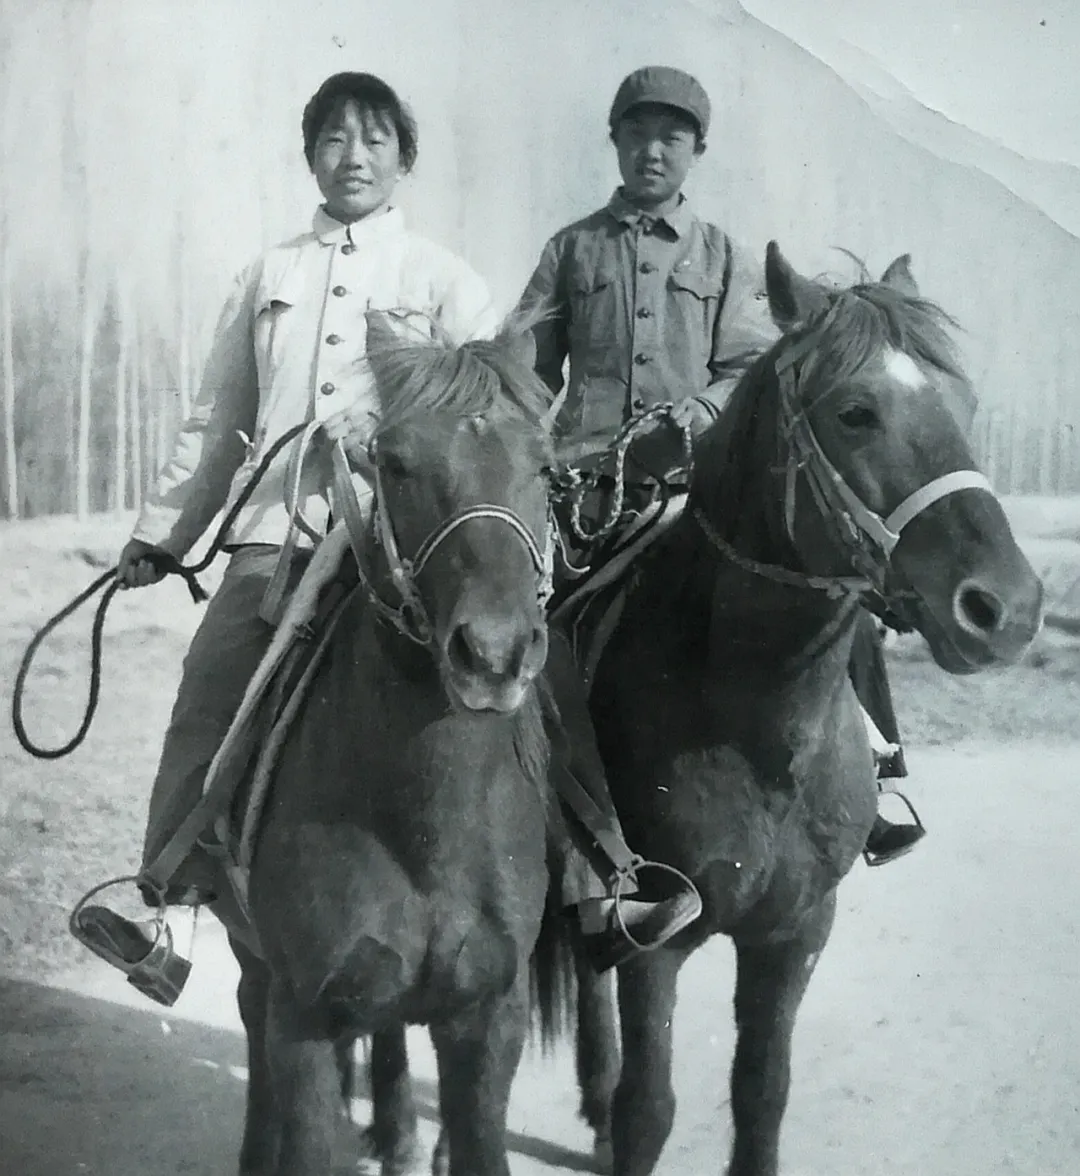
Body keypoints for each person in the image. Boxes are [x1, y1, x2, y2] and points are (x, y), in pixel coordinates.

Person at [72, 70, 697, 999]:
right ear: (311, 157)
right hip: (281, 528)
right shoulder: (266, 276)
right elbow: (216, 420)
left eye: (373, 140)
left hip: (418, 540)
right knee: (216, 672)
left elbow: (496, 405)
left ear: (405, 160)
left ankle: (601, 877)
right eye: (333, 138)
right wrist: (161, 535)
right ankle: (160, 898)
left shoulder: (442, 277)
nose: (352, 156)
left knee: (538, 660)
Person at [520, 65, 924, 865]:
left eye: (671, 137)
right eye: (636, 133)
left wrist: (698, 414)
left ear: (697, 150)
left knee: (834, 587)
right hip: (588, 491)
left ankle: (875, 776)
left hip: (690, 486)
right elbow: (529, 370)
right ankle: (547, 811)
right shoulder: (571, 248)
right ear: (615, 142)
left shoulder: (727, 256)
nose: (652, 151)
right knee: (535, 624)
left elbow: (746, 364)